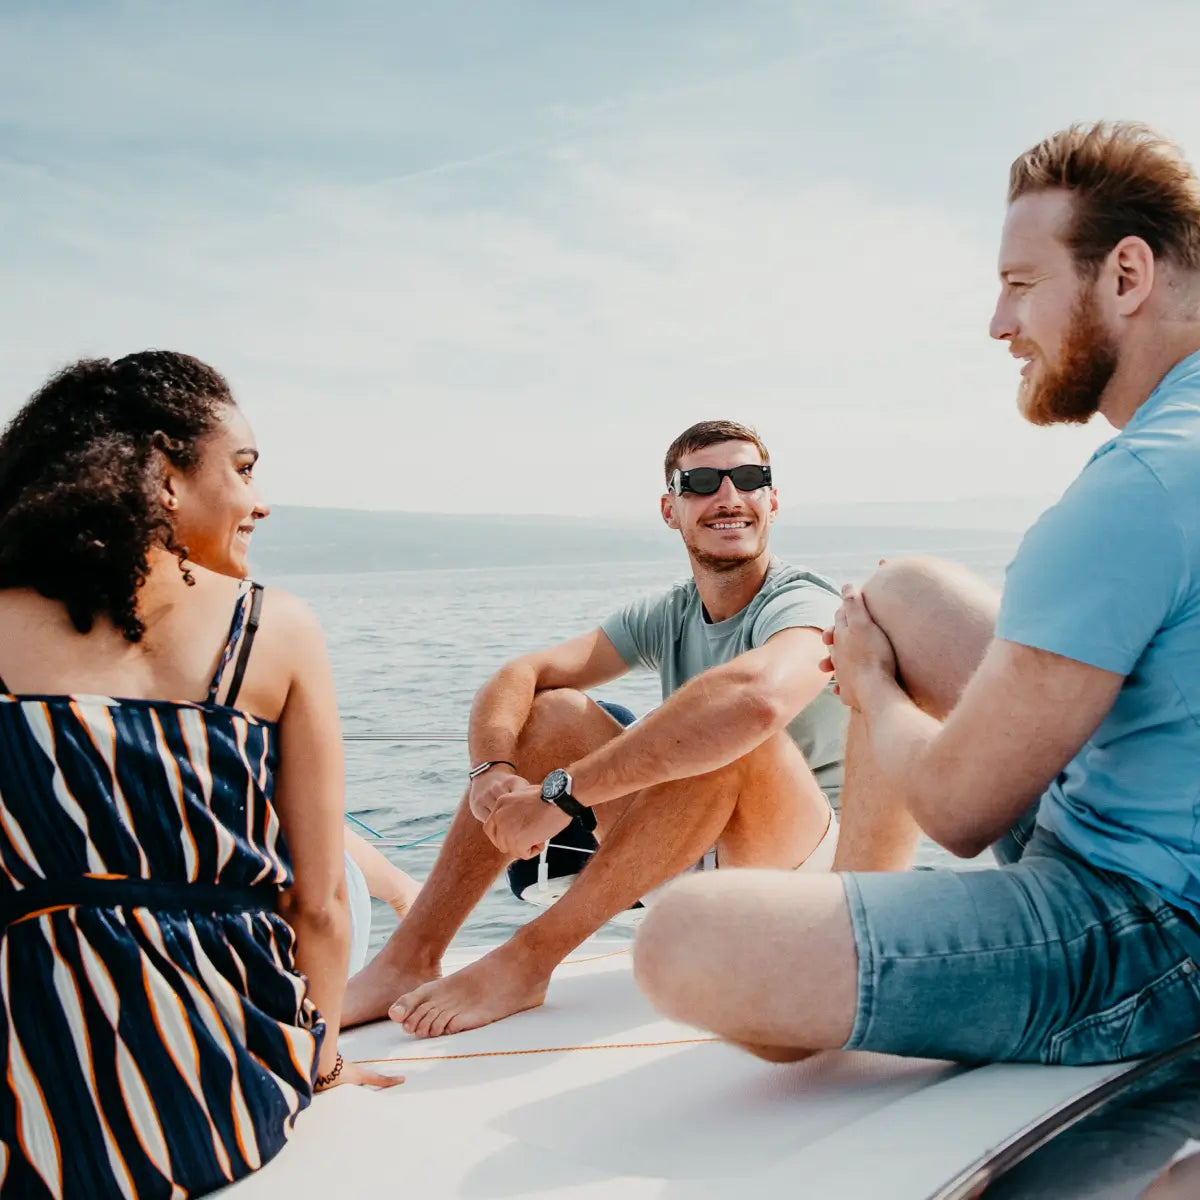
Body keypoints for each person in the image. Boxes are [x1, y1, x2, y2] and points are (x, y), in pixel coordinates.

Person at [632, 121, 1200, 1068]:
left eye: (1021, 285)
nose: (999, 324)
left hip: (1147, 933)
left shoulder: (1135, 489)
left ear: (1127, 276)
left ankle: (853, 952)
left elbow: (960, 813)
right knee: (902, 591)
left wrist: (872, 684)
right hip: (1143, 818)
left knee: (681, 937)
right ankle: (863, 905)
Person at [0, 352, 399, 1200]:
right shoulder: (274, 629)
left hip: (29, 1080)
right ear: (165, 479)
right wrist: (322, 1068)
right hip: (223, 1095)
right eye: (243, 469)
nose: (261, 501)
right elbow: (319, 905)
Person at [344, 419, 847, 1036]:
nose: (729, 497)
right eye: (702, 483)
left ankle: (528, 959)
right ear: (670, 508)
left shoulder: (803, 602)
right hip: (691, 867)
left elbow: (758, 700)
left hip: (806, 886)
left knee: (732, 735)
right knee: (552, 710)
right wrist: (493, 770)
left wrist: (563, 794)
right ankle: (408, 958)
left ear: (773, 500)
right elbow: (522, 673)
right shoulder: (671, 612)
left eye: (749, 479)